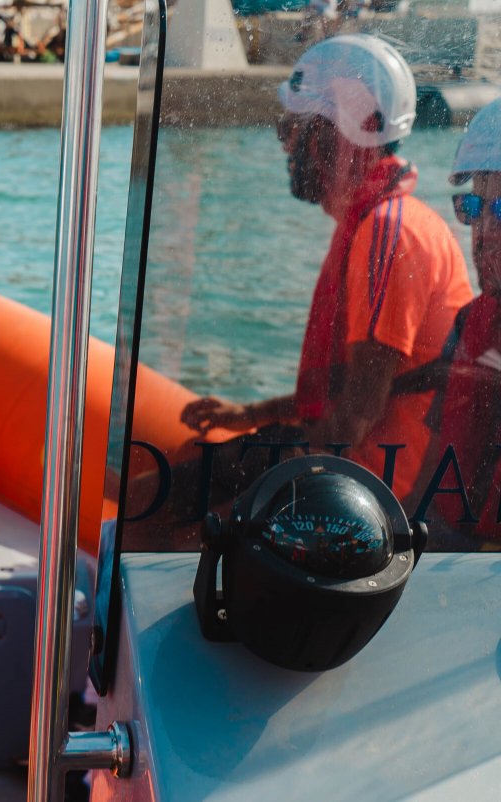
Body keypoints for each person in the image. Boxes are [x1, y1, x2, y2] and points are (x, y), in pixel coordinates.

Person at [181, 35, 472, 503]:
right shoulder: (371, 221)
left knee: (154, 506)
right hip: (351, 474)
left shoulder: (388, 232)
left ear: (340, 135)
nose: (281, 138)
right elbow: (346, 382)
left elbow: (355, 417)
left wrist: (237, 511)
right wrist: (251, 414)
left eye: (294, 125)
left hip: (365, 494)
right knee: (181, 469)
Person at [404, 97, 501, 545]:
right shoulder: (470, 323)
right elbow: (427, 487)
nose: (482, 231)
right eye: (473, 206)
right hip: (447, 567)